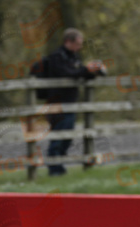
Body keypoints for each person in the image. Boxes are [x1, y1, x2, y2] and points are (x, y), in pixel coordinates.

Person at [44, 28, 107, 176]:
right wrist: (86, 69)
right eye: (78, 43)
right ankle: (54, 169)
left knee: (67, 137)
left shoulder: (74, 57)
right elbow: (68, 74)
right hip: (57, 103)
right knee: (58, 137)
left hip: (70, 103)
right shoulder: (56, 57)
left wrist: (93, 72)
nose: (80, 47)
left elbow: (80, 75)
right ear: (68, 42)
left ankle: (58, 167)